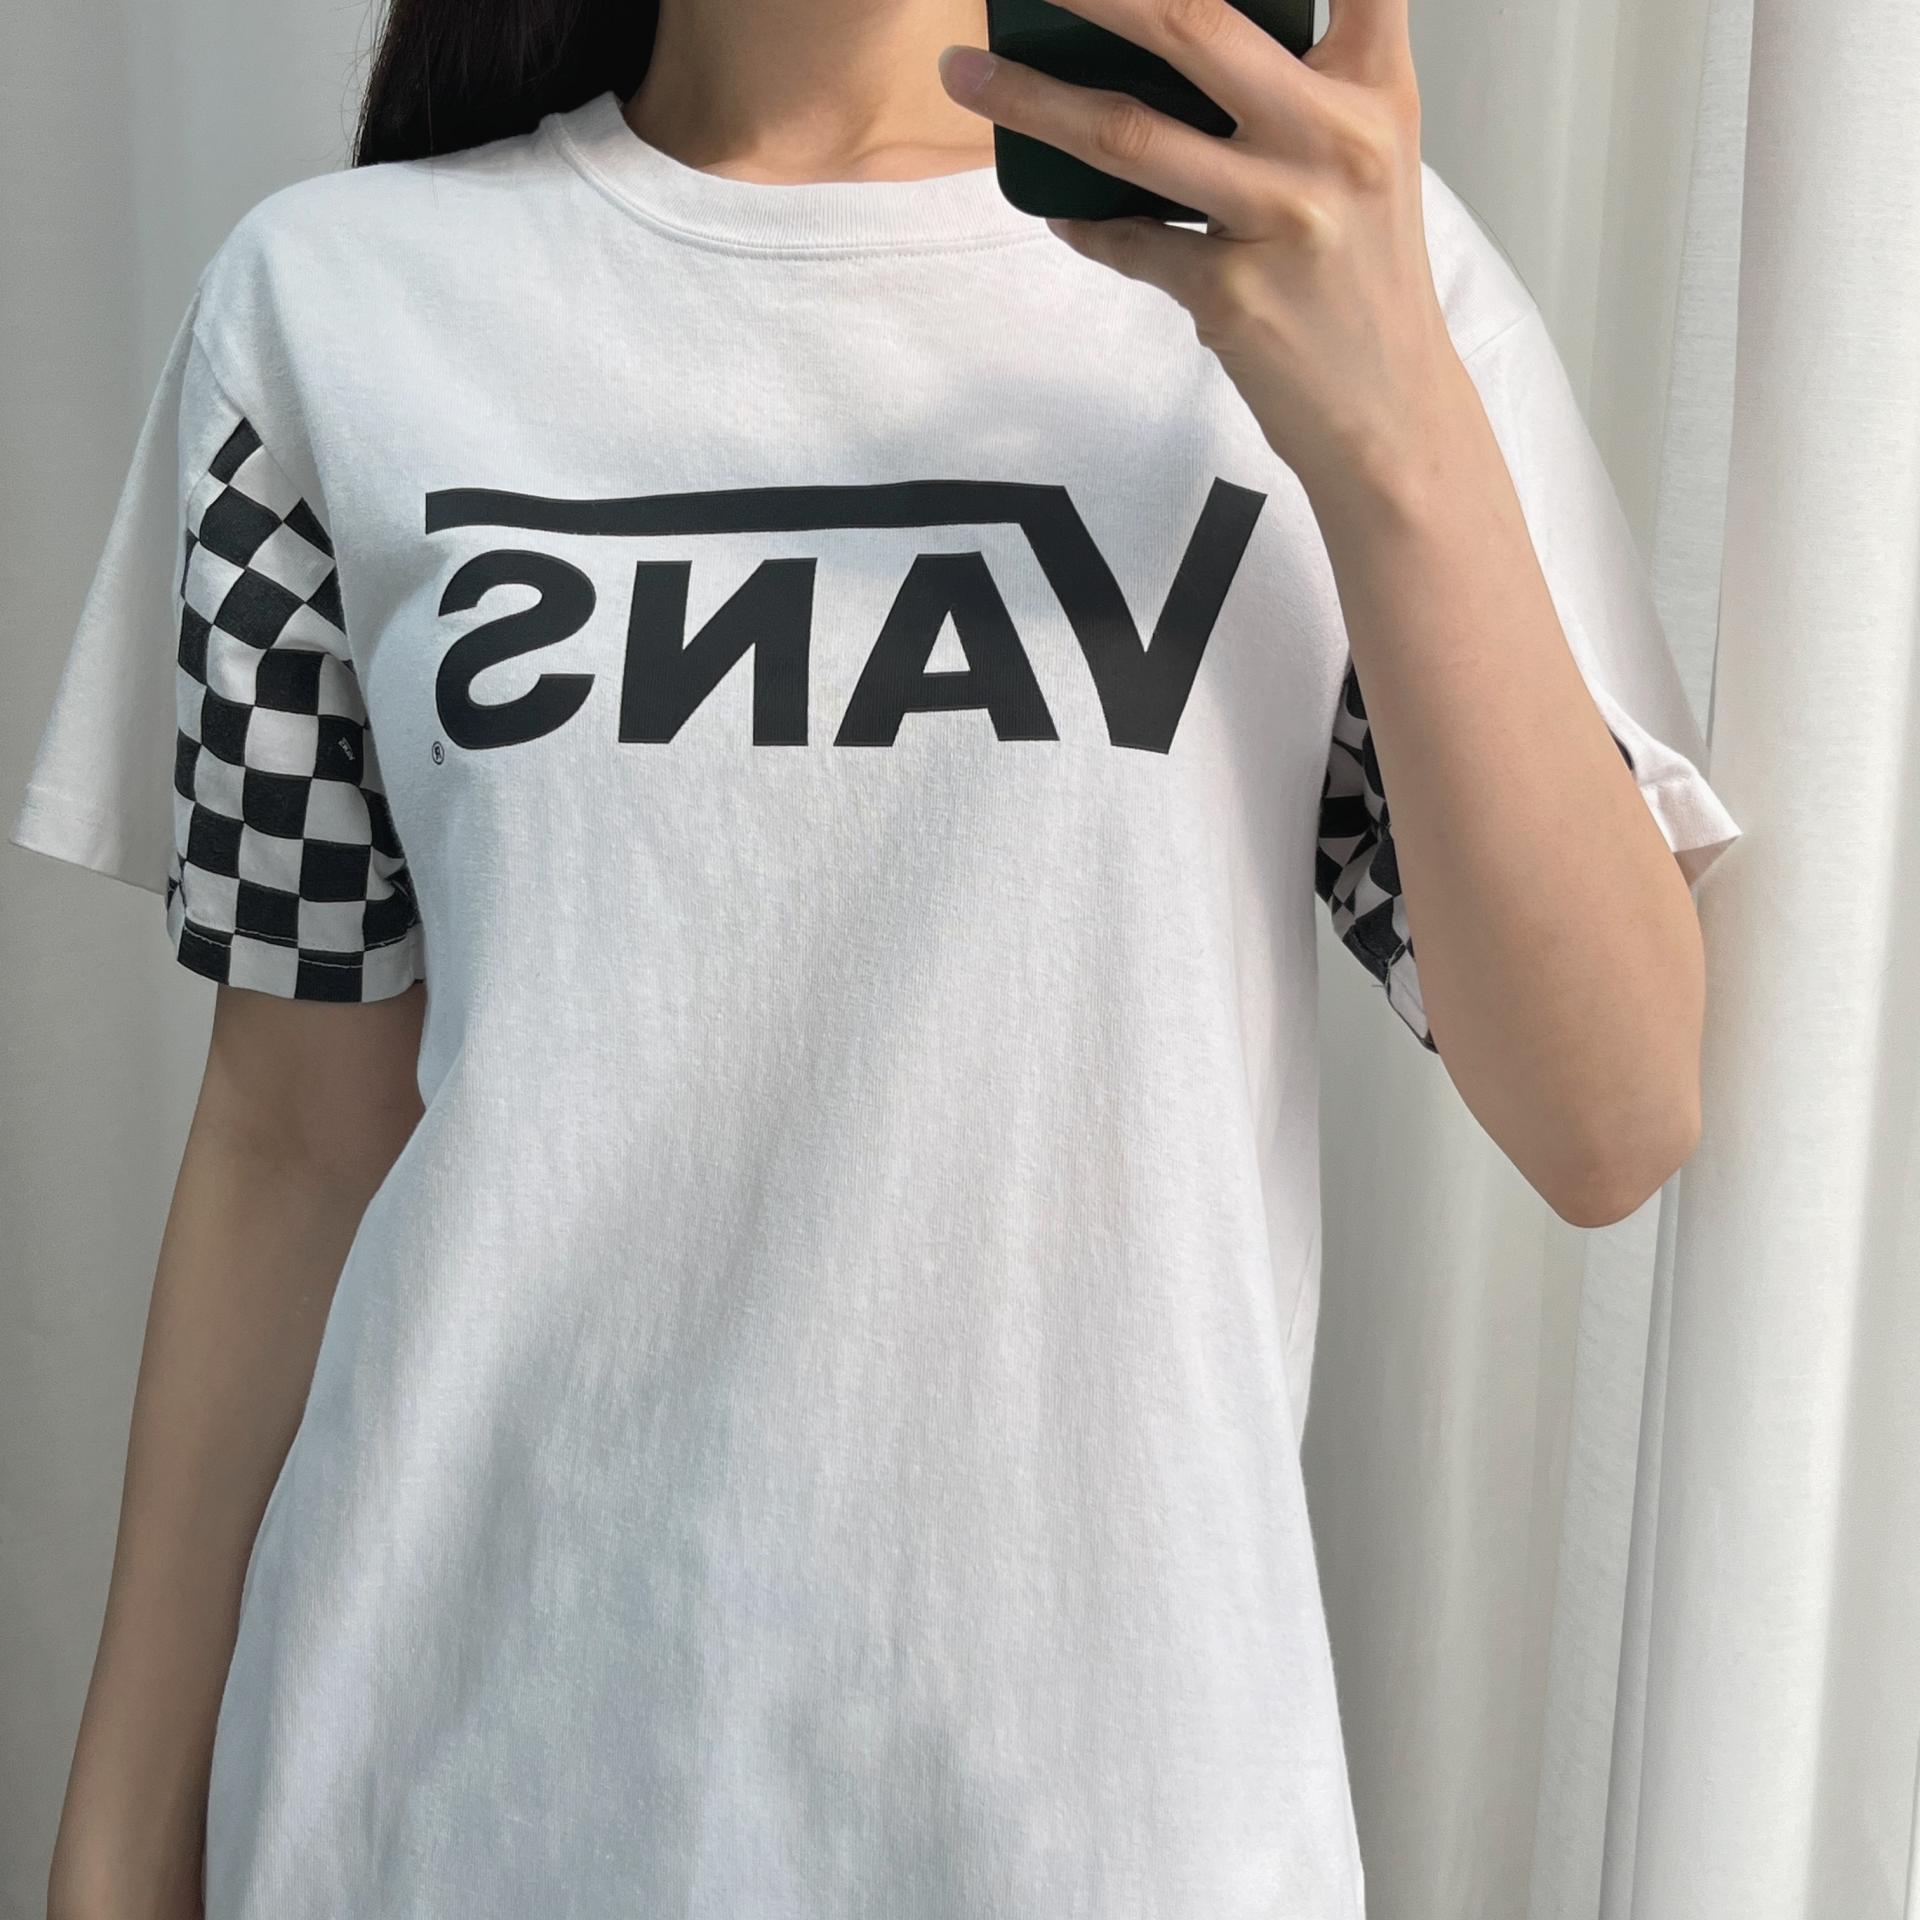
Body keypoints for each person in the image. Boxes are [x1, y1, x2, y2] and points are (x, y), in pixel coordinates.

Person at [12, 0, 1742, 1915]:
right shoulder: (332, 305)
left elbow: (1611, 1116)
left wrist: (1390, 419)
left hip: (1107, 1838)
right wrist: (117, 1846)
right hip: (445, 1809)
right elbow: (297, 1138)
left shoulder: (1318, 264)